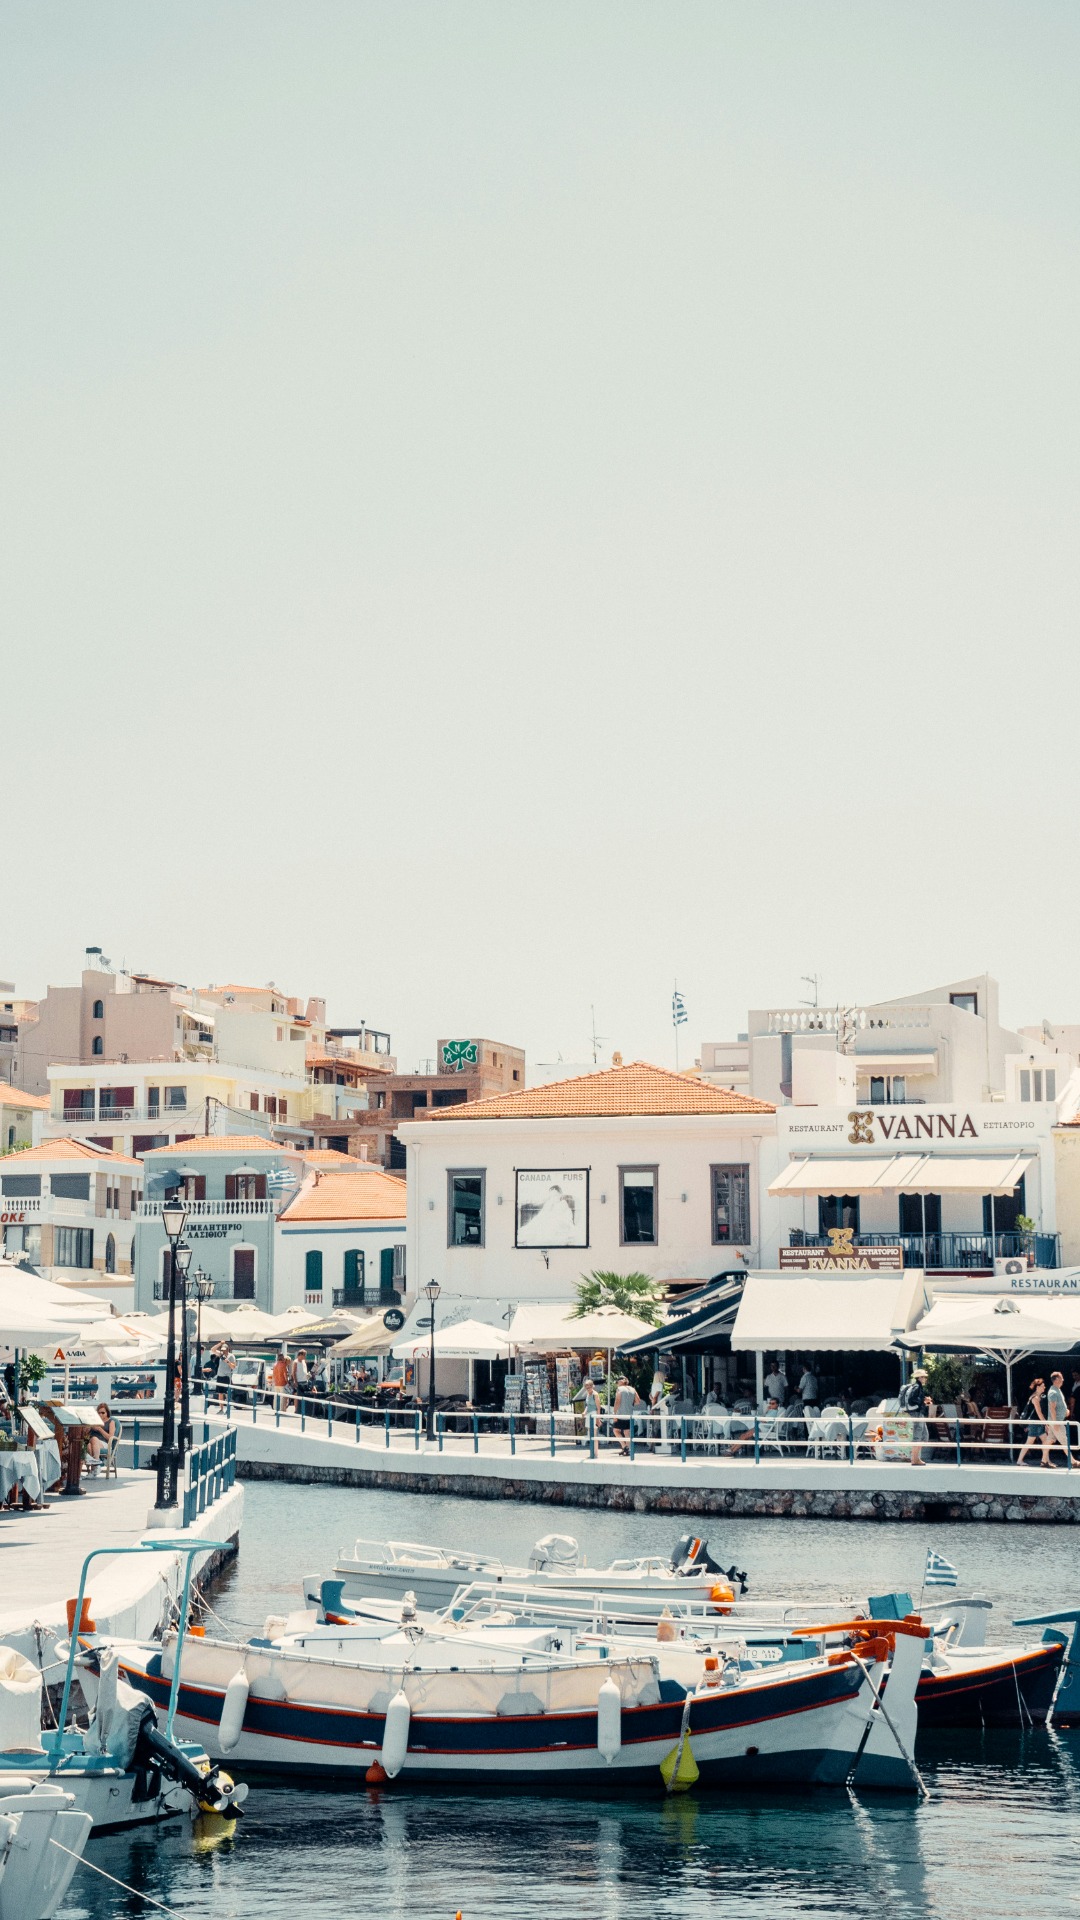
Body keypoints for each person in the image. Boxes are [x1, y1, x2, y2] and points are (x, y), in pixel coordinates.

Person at [899, 1367, 932, 1465]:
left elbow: (914, 1399)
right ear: (920, 1378)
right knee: (918, 1435)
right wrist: (923, 1401)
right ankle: (914, 1459)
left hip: (918, 1412)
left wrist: (923, 1400)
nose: (925, 1379)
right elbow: (912, 1400)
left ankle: (916, 1458)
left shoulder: (917, 1387)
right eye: (924, 1377)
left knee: (924, 1435)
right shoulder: (917, 1387)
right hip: (917, 1413)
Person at [1043, 1371, 1075, 1468]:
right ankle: (1072, 1461)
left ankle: (1044, 1460)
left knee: (1050, 1440)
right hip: (1056, 1421)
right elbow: (1052, 1408)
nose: (1063, 1380)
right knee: (1064, 1441)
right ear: (1056, 1379)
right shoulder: (1053, 1392)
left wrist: (1065, 1411)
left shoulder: (1057, 1390)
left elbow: (1058, 1406)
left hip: (1055, 1421)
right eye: (1061, 1378)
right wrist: (1056, 1422)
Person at [1016, 1378, 1046, 1466]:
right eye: (1043, 1386)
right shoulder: (1035, 1398)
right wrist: (1046, 1424)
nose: (1044, 1387)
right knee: (1030, 1442)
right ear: (1038, 1387)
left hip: (1037, 1423)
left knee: (1045, 1441)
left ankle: (1045, 1460)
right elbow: (1039, 1413)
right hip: (1034, 1423)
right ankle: (1020, 1460)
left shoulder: (1036, 1397)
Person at [612, 1375, 641, 1457]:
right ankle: (628, 1449)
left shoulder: (620, 1389)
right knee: (627, 1433)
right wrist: (630, 1405)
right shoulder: (632, 1389)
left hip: (620, 1414)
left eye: (618, 1382)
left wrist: (614, 1413)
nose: (617, 1383)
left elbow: (617, 1401)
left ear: (621, 1381)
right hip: (629, 1414)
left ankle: (625, 1447)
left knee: (616, 1431)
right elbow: (638, 1401)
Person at [85, 1403, 116, 1475]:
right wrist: (89, 1427)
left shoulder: (111, 1422)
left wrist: (100, 1429)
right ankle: (93, 1471)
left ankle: (96, 1463)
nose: (100, 1415)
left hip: (104, 1443)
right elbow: (85, 1434)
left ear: (107, 1412)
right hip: (92, 1442)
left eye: (103, 1413)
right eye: (99, 1413)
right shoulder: (94, 1421)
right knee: (89, 1445)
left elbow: (110, 1437)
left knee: (94, 1439)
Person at [210, 1340, 235, 1408]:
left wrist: (227, 1362)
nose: (223, 1351)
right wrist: (220, 1343)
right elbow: (212, 1349)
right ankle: (221, 1408)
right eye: (222, 1350)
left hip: (226, 1376)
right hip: (220, 1376)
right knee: (220, 1393)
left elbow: (233, 1366)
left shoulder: (231, 1356)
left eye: (225, 1350)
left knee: (227, 1393)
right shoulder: (221, 1355)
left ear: (227, 1349)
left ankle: (228, 1408)